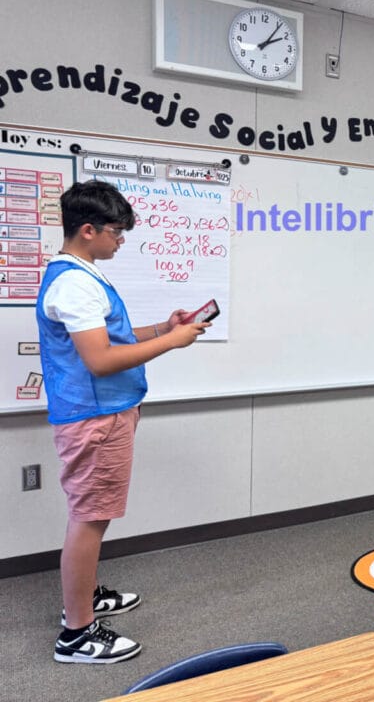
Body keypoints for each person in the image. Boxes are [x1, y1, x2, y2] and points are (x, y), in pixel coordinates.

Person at [37, 180, 210, 664]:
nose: (121, 240)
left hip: (105, 413)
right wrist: (173, 343)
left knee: (96, 514)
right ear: (88, 230)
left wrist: (164, 327)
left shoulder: (83, 274)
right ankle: (76, 634)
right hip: (96, 417)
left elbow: (112, 337)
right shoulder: (73, 282)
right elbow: (101, 360)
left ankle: (85, 597)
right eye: (116, 232)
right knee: (89, 519)